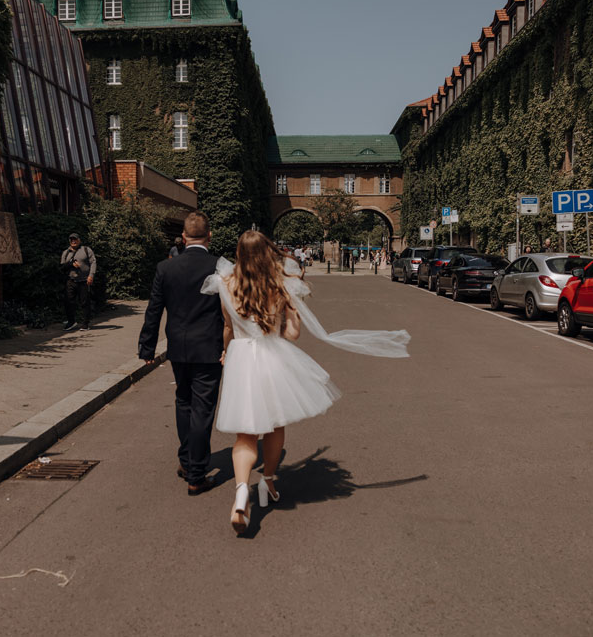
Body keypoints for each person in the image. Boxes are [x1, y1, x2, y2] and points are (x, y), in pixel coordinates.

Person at [201, 231, 410, 534]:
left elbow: (227, 327)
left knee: (245, 435)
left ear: (239, 254)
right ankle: (269, 481)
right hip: (272, 357)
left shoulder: (224, 284)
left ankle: (242, 491)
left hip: (241, 359)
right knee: (274, 425)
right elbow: (292, 335)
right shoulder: (279, 285)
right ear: (266, 253)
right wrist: (286, 318)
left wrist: (225, 350)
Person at [138, 211, 223, 496]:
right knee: (203, 409)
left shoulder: (165, 268)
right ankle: (196, 474)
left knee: (183, 401)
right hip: (210, 348)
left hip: (178, 346)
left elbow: (154, 309)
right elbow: (233, 312)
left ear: (184, 238)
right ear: (209, 236)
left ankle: (187, 462)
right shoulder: (221, 267)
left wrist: (147, 347)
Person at [61, 232, 96, 332]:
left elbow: (93, 262)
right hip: (70, 281)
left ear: (79, 240)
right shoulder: (66, 252)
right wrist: (71, 264)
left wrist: (91, 275)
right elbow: (62, 268)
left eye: (75, 239)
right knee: (68, 302)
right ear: (69, 241)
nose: (73, 241)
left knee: (85, 303)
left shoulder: (86, 250)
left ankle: (85, 324)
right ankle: (71, 322)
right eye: (71, 240)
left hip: (84, 280)